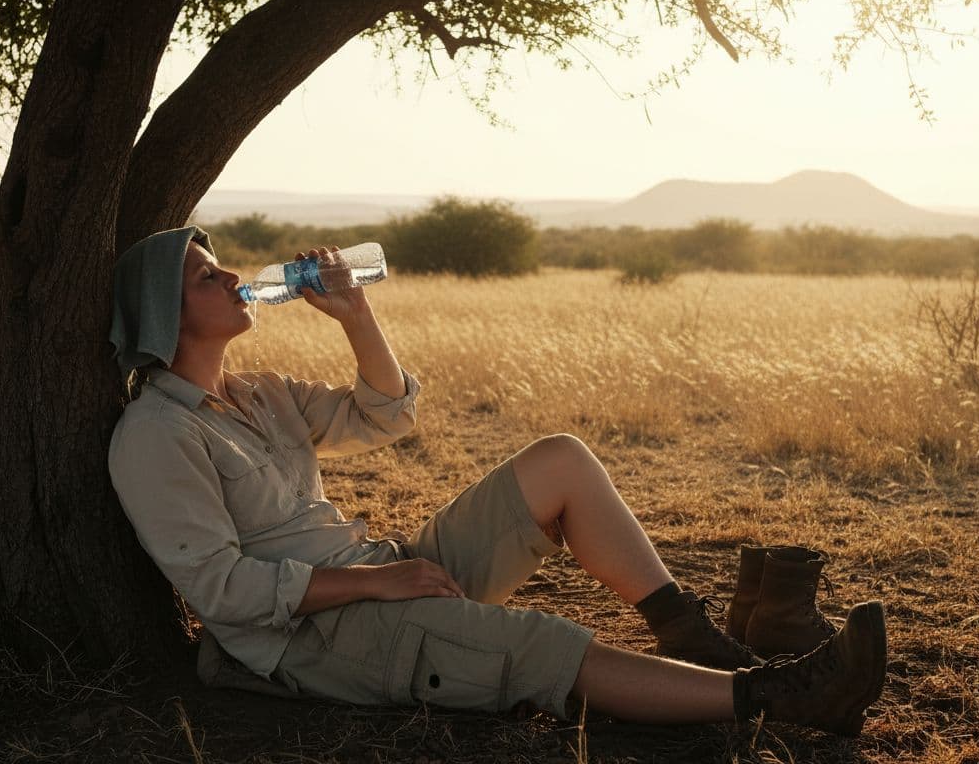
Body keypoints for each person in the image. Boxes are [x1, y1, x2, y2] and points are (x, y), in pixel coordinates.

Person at [106, 226, 886, 736]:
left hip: (377, 576)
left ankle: (693, 637)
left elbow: (385, 414)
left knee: (561, 459)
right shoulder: (156, 434)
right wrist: (378, 587)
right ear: (160, 314)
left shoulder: (261, 392)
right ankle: (780, 700)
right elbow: (223, 592)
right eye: (207, 275)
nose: (235, 275)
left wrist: (355, 317)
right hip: (316, 635)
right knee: (541, 643)